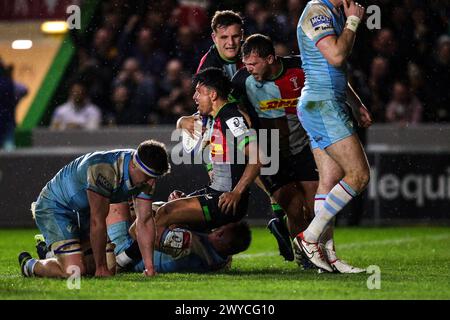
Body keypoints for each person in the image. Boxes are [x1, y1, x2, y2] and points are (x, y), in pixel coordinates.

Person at [178, 9, 294, 262]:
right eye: (224, 38)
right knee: (266, 181)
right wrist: (186, 123)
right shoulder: (209, 66)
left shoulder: (249, 55)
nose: (230, 43)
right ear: (213, 38)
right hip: (232, 131)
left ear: (243, 36)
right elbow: (205, 110)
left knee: (281, 185)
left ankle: (283, 223)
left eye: (235, 36)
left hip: (259, 124)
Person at [138, 68, 261, 276]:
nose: (194, 97)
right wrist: (181, 121)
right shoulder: (211, 117)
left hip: (225, 200)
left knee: (165, 214)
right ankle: (207, 255)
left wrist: (237, 192)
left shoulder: (231, 118)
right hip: (214, 192)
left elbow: (258, 158)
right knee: (159, 213)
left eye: (199, 91)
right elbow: (184, 123)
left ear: (212, 95)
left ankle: (140, 262)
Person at [18, 140, 171, 278]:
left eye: (154, 177)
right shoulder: (103, 170)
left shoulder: (146, 175)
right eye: (146, 176)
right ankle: (30, 265)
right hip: (56, 206)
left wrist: (149, 268)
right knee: (75, 271)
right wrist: (101, 267)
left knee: (110, 270)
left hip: (83, 210)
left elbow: (144, 220)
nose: (149, 182)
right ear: (133, 165)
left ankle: (56, 252)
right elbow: (97, 220)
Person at [295, 0, 372, 272]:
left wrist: (356, 103)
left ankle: (329, 257)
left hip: (325, 103)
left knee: (328, 182)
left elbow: (336, 69)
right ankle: (309, 237)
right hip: (322, 105)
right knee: (359, 175)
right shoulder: (318, 11)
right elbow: (337, 56)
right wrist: (353, 22)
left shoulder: (332, 12)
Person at [232, 34, 318, 268]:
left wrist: (356, 106)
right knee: (296, 207)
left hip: (301, 148)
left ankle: (291, 231)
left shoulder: (301, 67)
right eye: (246, 64)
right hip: (269, 150)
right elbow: (223, 107)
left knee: (316, 209)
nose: (249, 69)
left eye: (254, 64)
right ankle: (306, 258)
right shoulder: (242, 81)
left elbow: (334, 78)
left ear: (270, 59)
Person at [34, 201, 252, 274]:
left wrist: (165, 208)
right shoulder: (220, 260)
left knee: (115, 201)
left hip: (131, 253)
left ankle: (56, 244)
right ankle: (54, 249)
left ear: (222, 233)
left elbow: (138, 232)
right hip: (137, 252)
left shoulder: (190, 243)